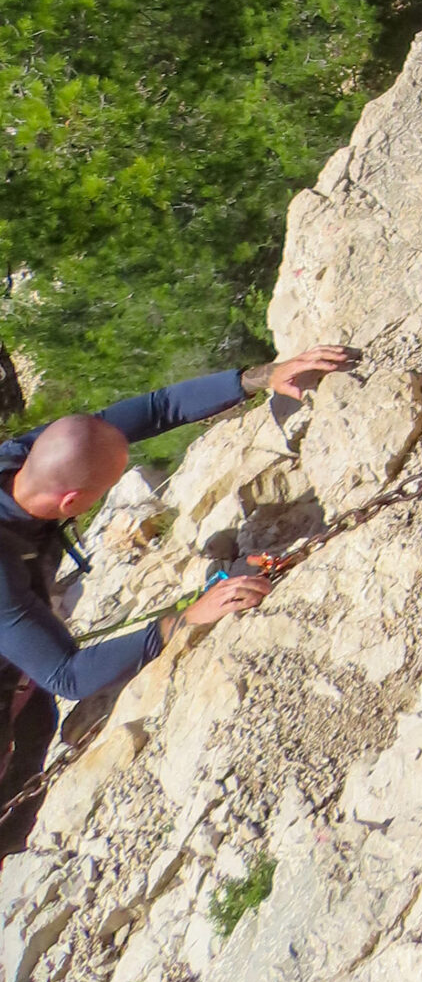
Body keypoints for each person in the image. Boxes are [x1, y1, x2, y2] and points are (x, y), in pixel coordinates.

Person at [0, 348, 351, 854]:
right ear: (71, 503)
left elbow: (156, 409)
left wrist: (258, 378)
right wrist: (182, 620)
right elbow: (69, 676)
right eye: (105, 488)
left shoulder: (20, 459)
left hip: (15, 635)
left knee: (38, 722)